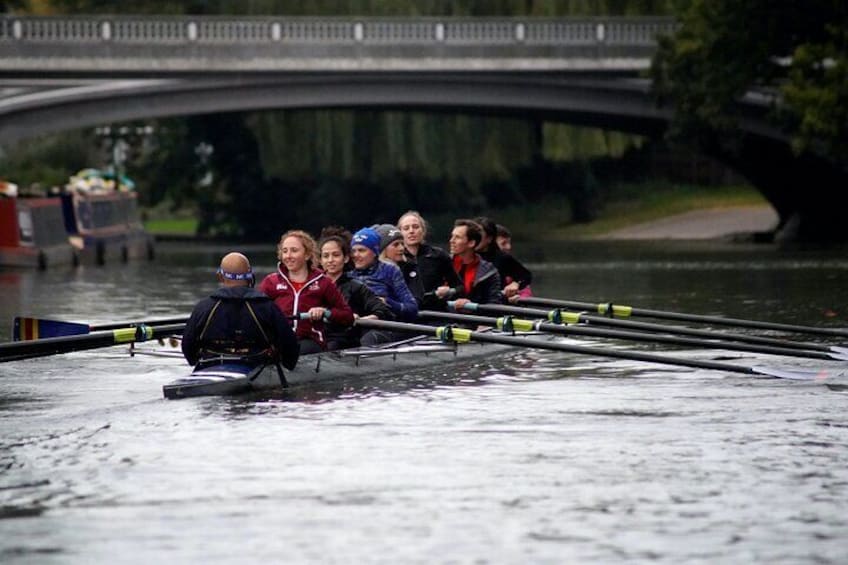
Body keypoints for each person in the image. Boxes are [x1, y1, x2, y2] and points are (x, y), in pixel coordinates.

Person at [181, 252, 299, 372]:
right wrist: (288, 366)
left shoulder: (203, 307)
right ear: (250, 276)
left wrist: (194, 361)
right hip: (256, 368)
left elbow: (187, 345)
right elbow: (290, 345)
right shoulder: (267, 307)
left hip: (209, 366)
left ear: (220, 277)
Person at [259, 230, 354, 354]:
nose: (288, 256)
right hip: (278, 339)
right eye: (285, 251)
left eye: (294, 250)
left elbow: (347, 316)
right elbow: (257, 312)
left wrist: (325, 312)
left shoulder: (323, 283)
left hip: (309, 342)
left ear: (307, 255)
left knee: (295, 351)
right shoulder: (271, 282)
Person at [319, 230, 394, 350]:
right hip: (317, 338)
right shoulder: (311, 286)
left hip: (343, 341)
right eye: (326, 256)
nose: (330, 260)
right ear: (320, 260)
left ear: (346, 258)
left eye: (336, 255)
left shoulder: (356, 287)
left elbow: (384, 311)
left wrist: (362, 319)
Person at [349, 226, 418, 343]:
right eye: (353, 251)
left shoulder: (390, 271)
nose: (356, 255)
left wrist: (388, 302)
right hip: (357, 325)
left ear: (375, 252)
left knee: (368, 339)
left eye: (361, 250)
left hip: (387, 327)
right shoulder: (349, 275)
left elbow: (412, 308)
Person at [397, 210, 463, 311]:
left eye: (415, 227)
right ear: (400, 233)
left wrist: (449, 292)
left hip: (436, 313)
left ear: (423, 231)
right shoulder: (396, 258)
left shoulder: (438, 255)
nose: (411, 231)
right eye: (406, 228)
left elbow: (459, 286)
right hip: (408, 314)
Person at [442, 219, 501, 309]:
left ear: (471, 243)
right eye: (452, 236)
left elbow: (494, 304)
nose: (451, 241)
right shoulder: (441, 264)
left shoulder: (490, 272)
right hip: (443, 319)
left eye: (457, 237)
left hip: (475, 320)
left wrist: (470, 305)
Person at [475, 216, 532, 303]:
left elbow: (526, 276)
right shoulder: (462, 255)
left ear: (489, 238)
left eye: (479, 235)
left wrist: (516, 283)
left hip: (494, 306)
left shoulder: (501, 257)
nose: (474, 239)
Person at [373, 223, 424, 305]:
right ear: (383, 249)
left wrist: (389, 302)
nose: (401, 248)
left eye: (402, 244)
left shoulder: (410, 267)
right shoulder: (370, 270)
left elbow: (417, 299)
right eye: (396, 244)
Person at [496, 222, 533, 298]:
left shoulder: (510, 265)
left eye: (509, 243)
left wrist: (519, 297)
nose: (509, 247)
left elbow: (526, 291)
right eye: (503, 243)